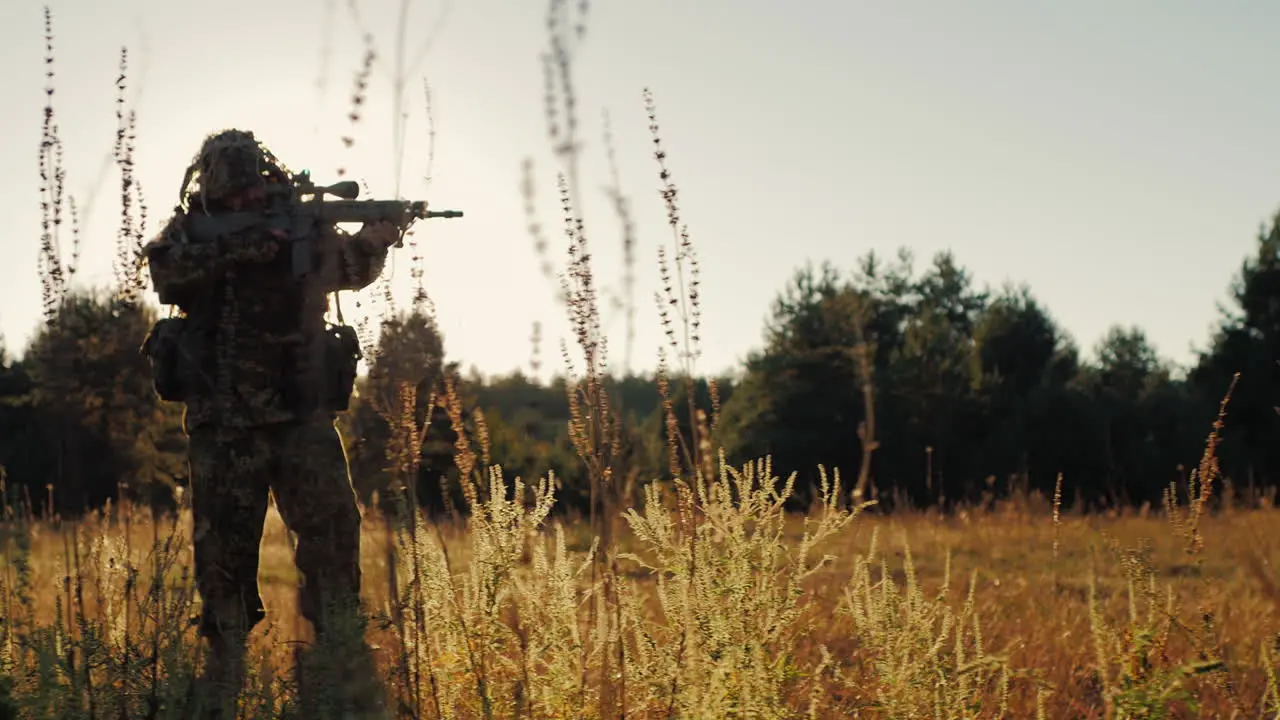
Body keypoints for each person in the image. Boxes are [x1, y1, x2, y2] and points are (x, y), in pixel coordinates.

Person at [141, 129, 398, 718]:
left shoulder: (300, 223)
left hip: (301, 416)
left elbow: (348, 271)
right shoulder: (190, 231)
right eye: (229, 196)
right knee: (223, 557)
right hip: (222, 423)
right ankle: (224, 672)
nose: (239, 204)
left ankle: (335, 661)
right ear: (210, 189)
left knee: (332, 537)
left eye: (248, 192)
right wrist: (246, 246)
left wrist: (377, 240)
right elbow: (166, 275)